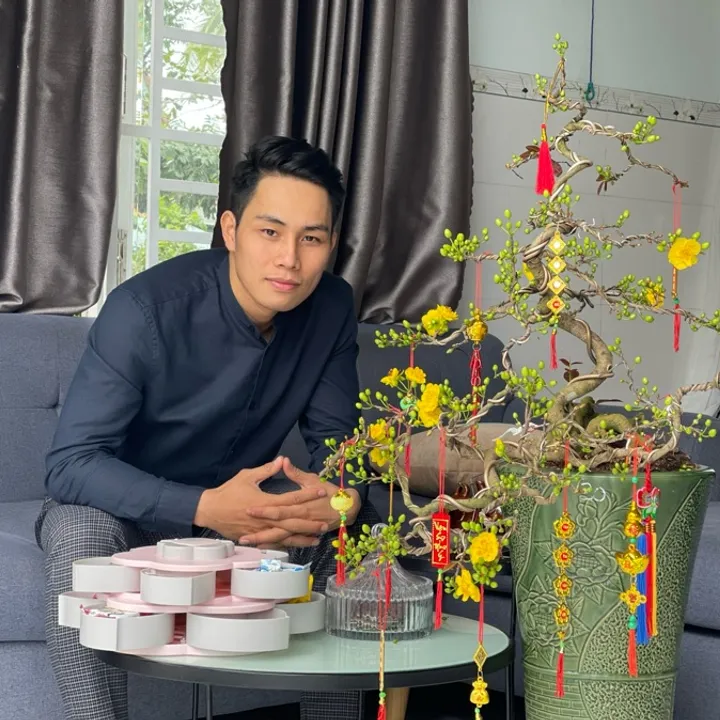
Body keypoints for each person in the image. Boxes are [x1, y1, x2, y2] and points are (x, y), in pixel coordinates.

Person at [35, 135, 379, 720]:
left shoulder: (331, 307)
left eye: (311, 238)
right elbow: (71, 464)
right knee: (77, 532)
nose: (289, 259)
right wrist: (204, 506)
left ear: (331, 245)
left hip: (245, 512)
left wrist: (336, 500)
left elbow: (339, 446)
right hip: (127, 514)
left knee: (350, 533)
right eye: (270, 231)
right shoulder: (143, 309)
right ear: (231, 230)